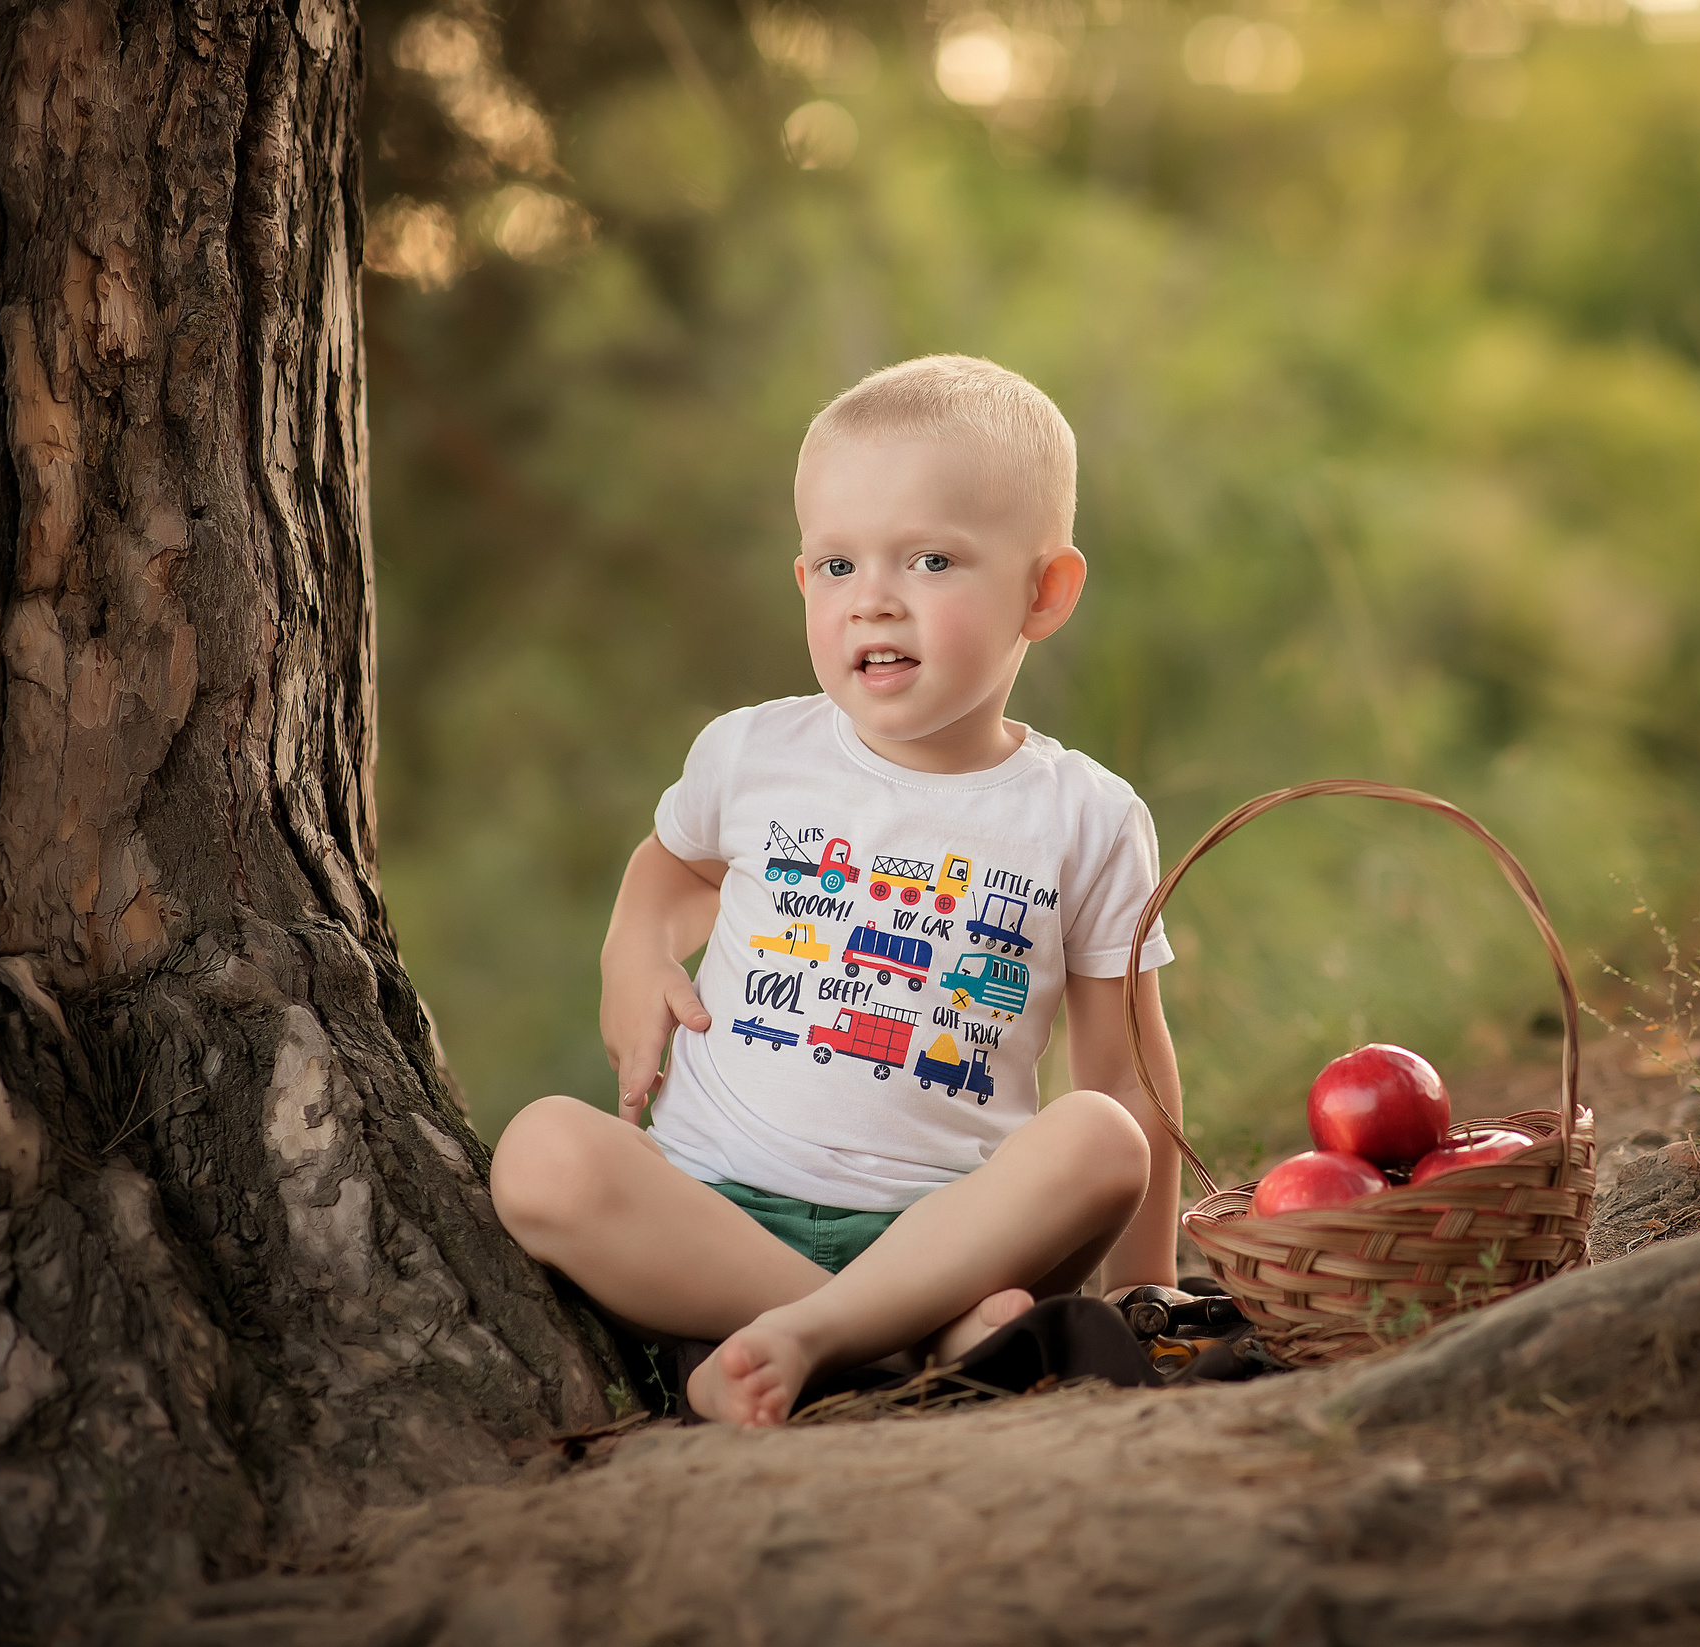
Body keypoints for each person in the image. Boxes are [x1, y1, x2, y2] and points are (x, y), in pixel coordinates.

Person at [488, 355, 1184, 1427]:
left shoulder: (1085, 815)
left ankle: (818, 1340)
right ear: (802, 580)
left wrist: (1146, 1293)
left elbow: (1127, 1069)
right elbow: (672, 867)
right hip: (716, 1217)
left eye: (932, 560)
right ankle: (891, 1339)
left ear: (1043, 592)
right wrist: (633, 950)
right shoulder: (755, 753)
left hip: (952, 1229)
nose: (875, 603)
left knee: (1102, 1138)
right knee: (541, 1150)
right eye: (837, 566)